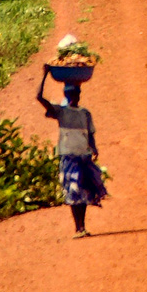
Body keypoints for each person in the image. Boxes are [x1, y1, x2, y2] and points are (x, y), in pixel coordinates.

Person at [37, 66, 108, 237]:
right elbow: (39, 97)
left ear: (78, 95)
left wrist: (94, 147)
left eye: (75, 94)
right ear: (67, 95)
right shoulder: (61, 112)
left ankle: (81, 227)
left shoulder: (85, 113)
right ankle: (78, 228)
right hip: (68, 157)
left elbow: (90, 133)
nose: (73, 97)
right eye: (71, 94)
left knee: (82, 193)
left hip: (83, 156)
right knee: (73, 191)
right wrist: (45, 74)